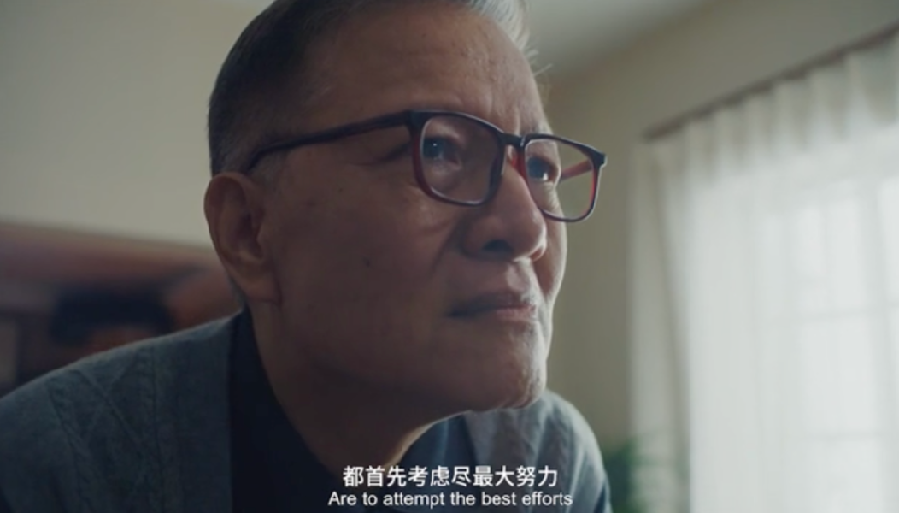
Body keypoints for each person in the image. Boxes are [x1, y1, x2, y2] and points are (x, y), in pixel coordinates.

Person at [0, 0, 611, 511]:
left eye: (539, 167)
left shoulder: (546, 463)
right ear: (249, 231)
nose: (528, 227)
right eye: (439, 150)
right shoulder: (55, 468)